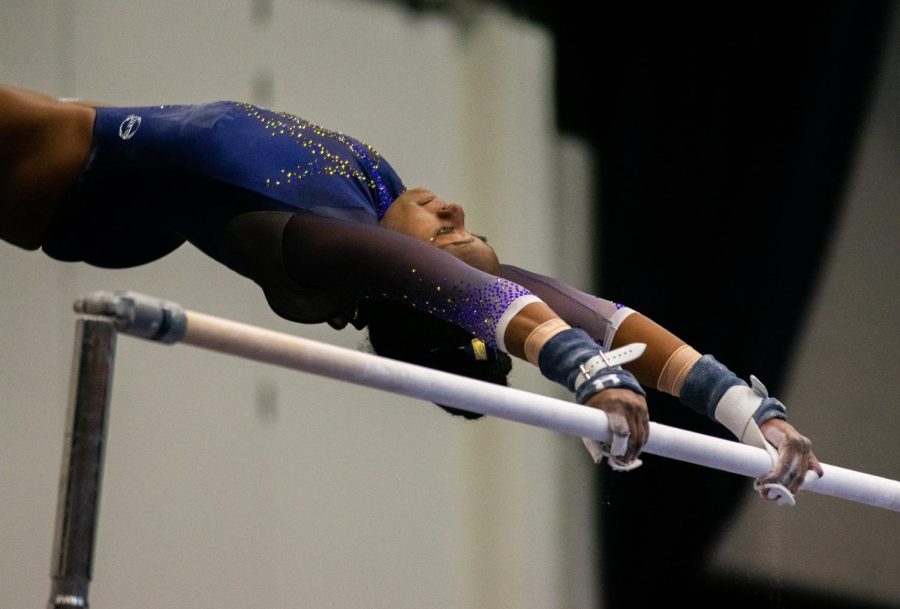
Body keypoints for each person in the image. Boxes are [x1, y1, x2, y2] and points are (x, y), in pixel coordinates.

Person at [0, 84, 822, 501]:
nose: (456, 212)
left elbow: (461, 293)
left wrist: (576, 366)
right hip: (81, 135)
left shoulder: (315, 254)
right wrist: (747, 410)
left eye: (452, 243)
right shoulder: (369, 201)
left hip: (68, 170)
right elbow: (588, 311)